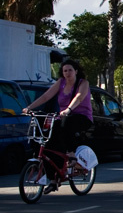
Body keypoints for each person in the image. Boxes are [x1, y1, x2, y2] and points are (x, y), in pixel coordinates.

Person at [22, 59, 93, 194]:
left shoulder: (83, 83)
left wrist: (69, 110)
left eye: (70, 70)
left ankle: (72, 155)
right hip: (63, 117)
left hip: (81, 117)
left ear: (76, 71)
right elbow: (46, 96)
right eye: (65, 71)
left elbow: (78, 97)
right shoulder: (60, 82)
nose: (67, 73)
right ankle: (53, 180)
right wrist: (29, 108)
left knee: (67, 124)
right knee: (48, 144)